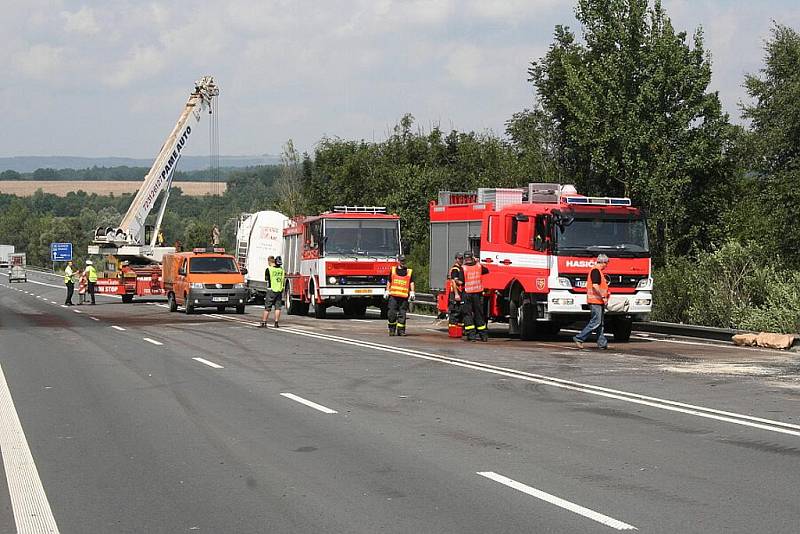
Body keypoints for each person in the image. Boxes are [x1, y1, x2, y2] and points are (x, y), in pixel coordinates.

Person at [573, 254, 610, 350]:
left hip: (598, 301)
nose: (606, 265)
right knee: (596, 322)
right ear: (603, 262)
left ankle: (602, 343)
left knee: (600, 323)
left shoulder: (598, 271)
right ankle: (579, 338)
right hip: (595, 301)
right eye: (606, 263)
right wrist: (603, 296)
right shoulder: (595, 271)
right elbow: (595, 286)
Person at [461, 250, 489, 342]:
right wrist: (477, 262)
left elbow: (461, 281)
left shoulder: (463, 268)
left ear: (465, 259)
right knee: (479, 314)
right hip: (478, 293)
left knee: (467, 314)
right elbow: (487, 270)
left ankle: (471, 335)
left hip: (467, 293)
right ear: (472, 257)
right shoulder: (478, 266)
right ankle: (483, 335)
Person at [384, 255, 415, 336]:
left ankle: (401, 331)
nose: (402, 262)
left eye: (404, 261)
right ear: (398, 261)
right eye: (401, 261)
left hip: (404, 297)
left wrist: (412, 292)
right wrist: (387, 290)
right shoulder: (393, 270)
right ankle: (392, 329)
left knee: (402, 314)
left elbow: (411, 282)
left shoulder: (409, 271)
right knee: (391, 313)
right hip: (393, 296)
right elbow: (389, 281)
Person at [260, 256, 285, 328]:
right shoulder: (281, 270)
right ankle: (276, 323)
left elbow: (266, 279)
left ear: (270, 262)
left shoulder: (269, 269)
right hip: (279, 290)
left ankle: (264, 322)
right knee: (278, 307)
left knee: (267, 307)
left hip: (271, 290)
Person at [448, 252, 465, 332]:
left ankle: (458, 331)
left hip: (460, 293)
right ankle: (453, 331)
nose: (461, 260)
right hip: (455, 293)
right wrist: (456, 294)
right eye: (459, 258)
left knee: (460, 312)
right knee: (454, 312)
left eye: (462, 258)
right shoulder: (455, 269)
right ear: (456, 259)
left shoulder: (461, 268)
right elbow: (454, 282)